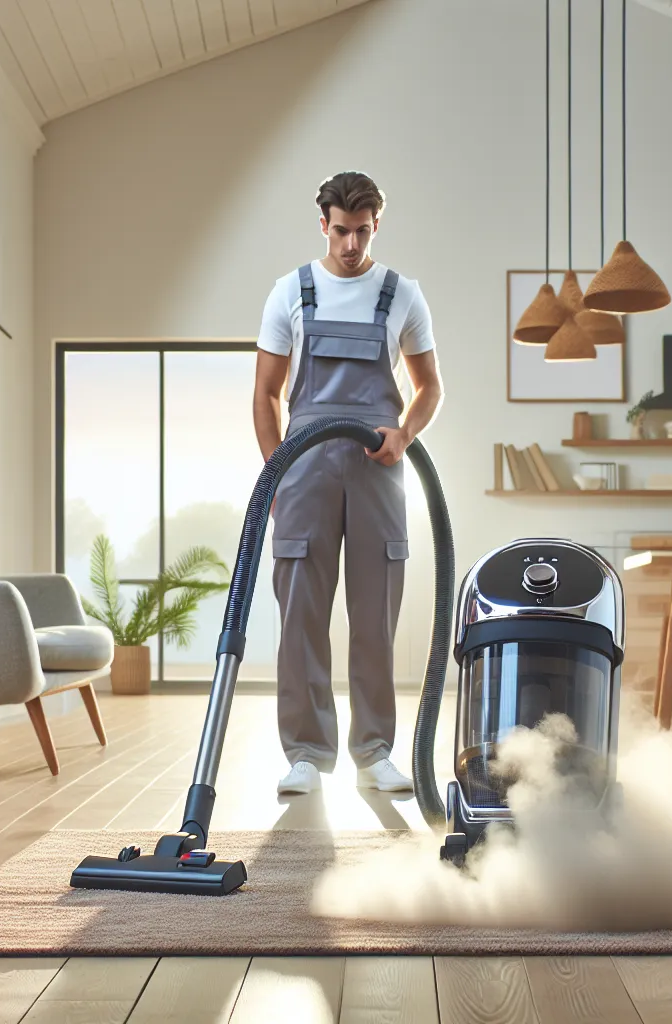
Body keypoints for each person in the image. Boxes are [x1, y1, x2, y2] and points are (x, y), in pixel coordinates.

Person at [252, 171, 444, 796]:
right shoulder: (290, 292)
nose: (350, 245)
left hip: (378, 469)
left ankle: (376, 752)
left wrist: (405, 435)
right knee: (301, 614)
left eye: (362, 232)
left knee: (374, 613)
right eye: (340, 231)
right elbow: (267, 393)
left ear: (376, 226)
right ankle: (306, 753)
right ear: (323, 224)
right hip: (304, 469)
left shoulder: (402, 294)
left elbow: (428, 387)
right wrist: (275, 476)